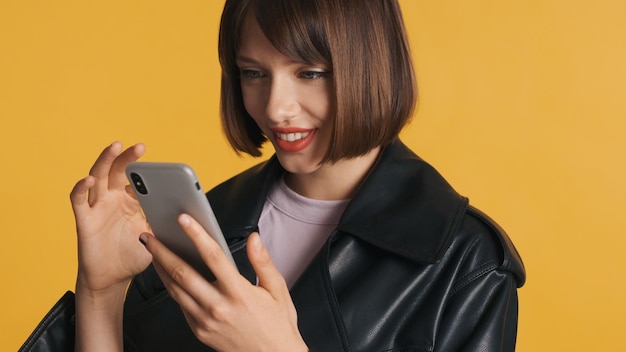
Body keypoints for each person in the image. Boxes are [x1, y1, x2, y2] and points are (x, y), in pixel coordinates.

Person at [68, 0, 525, 351]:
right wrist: (101, 291)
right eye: (253, 73)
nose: (275, 108)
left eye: (309, 73)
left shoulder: (465, 262)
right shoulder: (200, 226)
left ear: (371, 66)